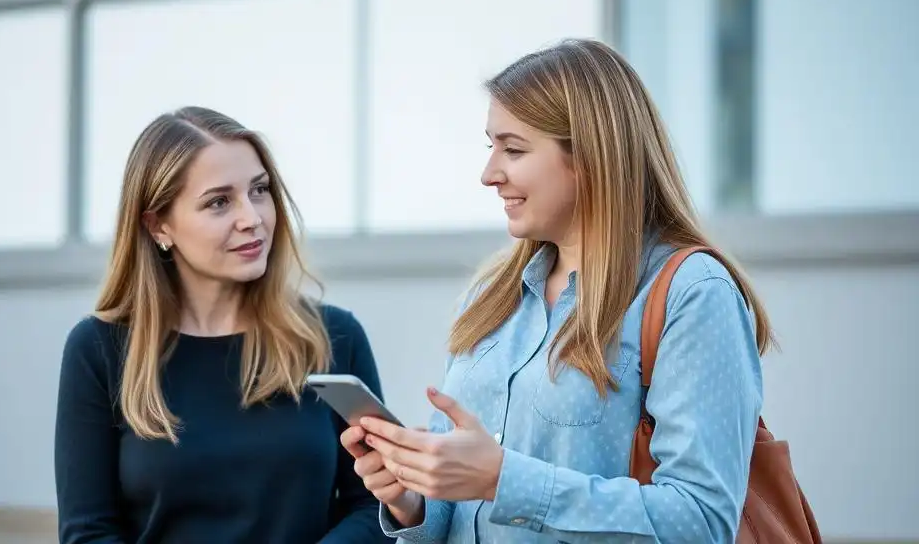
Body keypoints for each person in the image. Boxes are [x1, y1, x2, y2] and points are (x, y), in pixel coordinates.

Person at [341, 38, 770, 542]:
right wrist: (411, 500)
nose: (489, 174)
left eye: (514, 149)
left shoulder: (692, 294)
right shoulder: (489, 299)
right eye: (491, 147)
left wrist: (503, 479)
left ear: (591, 157)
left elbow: (700, 521)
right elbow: (457, 507)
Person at [54, 106, 391, 543]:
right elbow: (88, 532)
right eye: (218, 202)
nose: (251, 217)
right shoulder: (98, 349)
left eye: (259, 190)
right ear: (159, 226)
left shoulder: (333, 337)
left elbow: (376, 504)